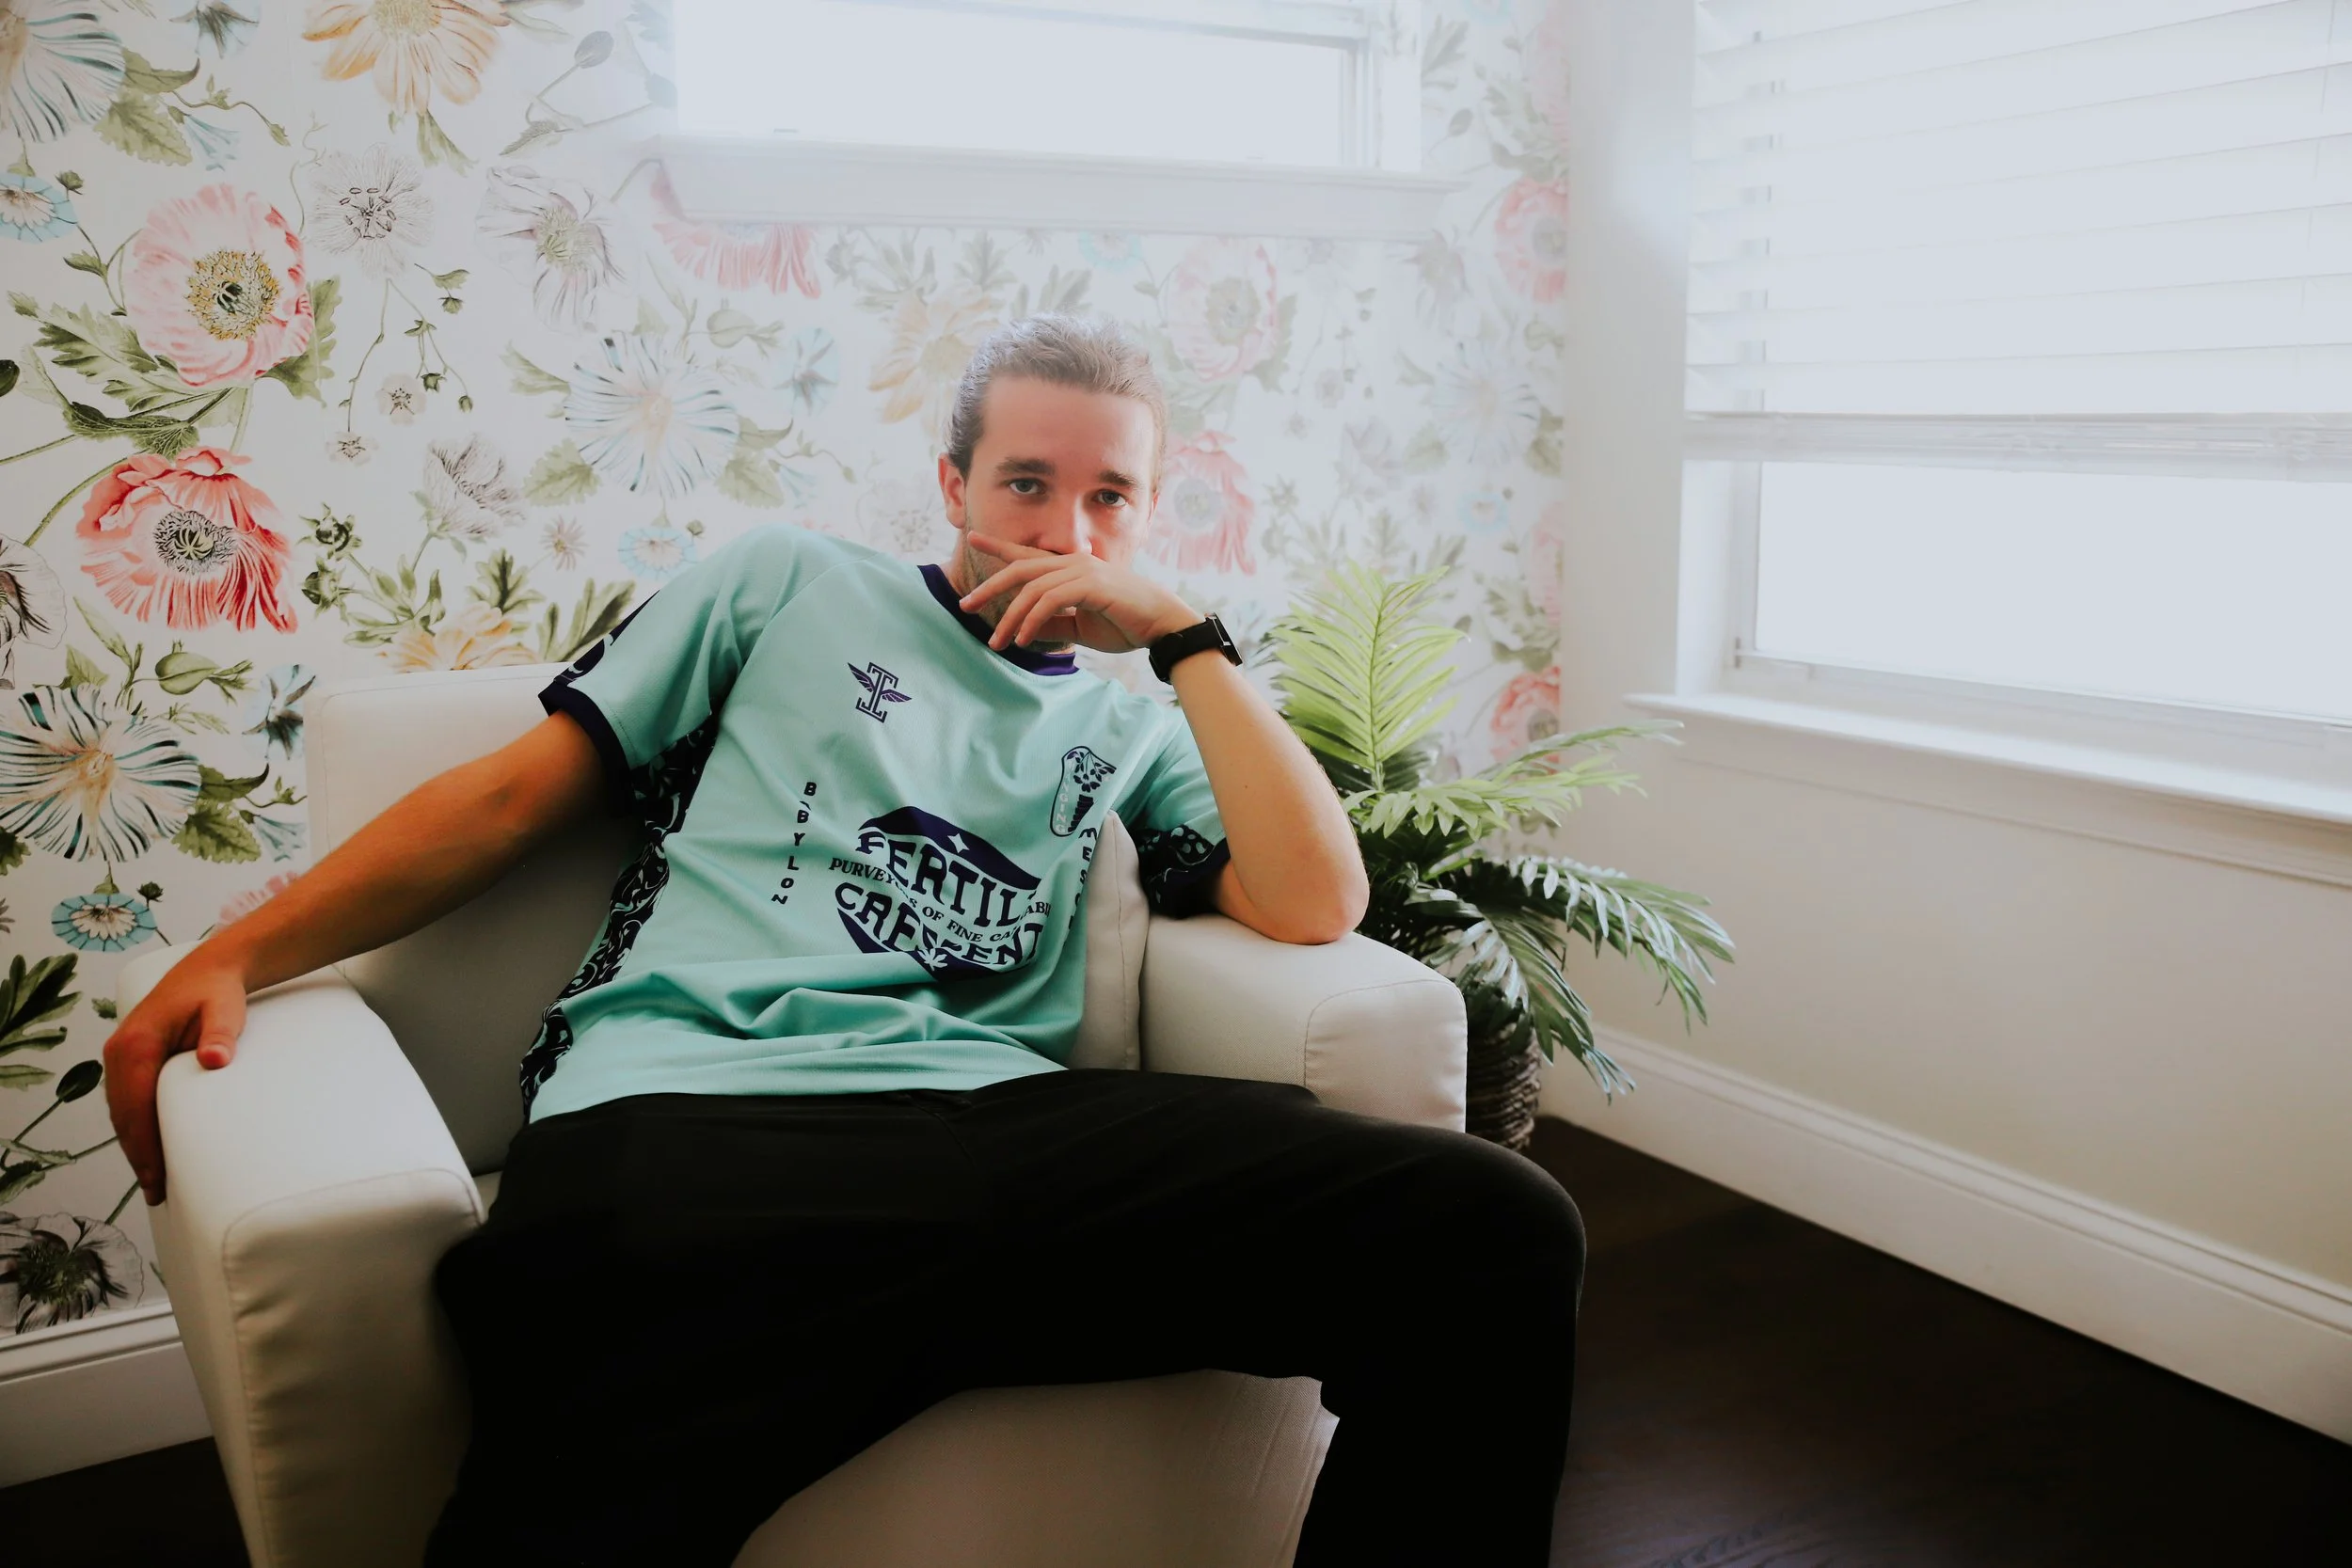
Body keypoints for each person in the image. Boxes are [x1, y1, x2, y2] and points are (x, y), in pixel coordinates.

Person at [103, 316, 1582, 1565]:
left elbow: (1322, 904)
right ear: (949, 481)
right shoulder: (795, 583)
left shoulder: (1131, 720)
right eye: (1024, 482)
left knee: (1496, 1232)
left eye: (1113, 498)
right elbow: (506, 801)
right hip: (693, 1114)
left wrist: (1189, 641)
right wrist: (238, 952)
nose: (1066, 533)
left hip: (1000, 1131)